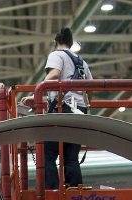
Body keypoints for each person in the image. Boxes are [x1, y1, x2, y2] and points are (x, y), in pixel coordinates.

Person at [40, 27, 92, 189]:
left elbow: (54, 75)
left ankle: (53, 191)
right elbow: (90, 88)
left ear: (56, 42)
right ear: (70, 43)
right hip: (80, 111)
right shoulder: (82, 62)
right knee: (71, 157)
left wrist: (37, 90)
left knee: (47, 154)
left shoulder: (56, 55)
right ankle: (74, 192)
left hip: (62, 111)